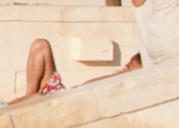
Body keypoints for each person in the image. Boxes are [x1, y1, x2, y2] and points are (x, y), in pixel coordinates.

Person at [10, 40, 139, 105]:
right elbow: (85, 85)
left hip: (64, 102)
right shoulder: (118, 77)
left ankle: (24, 102)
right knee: (40, 45)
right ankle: (28, 98)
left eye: (130, 68)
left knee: (38, 98)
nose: (126, 67)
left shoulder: (127, 85)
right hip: (63, 93)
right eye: (127, 65)